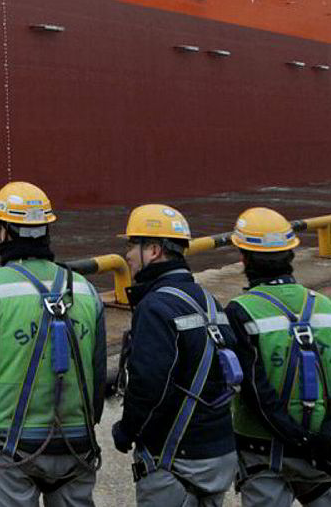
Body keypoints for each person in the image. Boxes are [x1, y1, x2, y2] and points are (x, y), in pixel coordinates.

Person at [0, 181, 106, 506]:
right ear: (46, 231)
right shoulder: (85, 290)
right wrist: (88, 422)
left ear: (3, 231)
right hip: (76, 440)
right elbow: (97, 367)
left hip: (11, 444)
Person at [224, 208, 331, 507]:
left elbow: (254, 390)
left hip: (263, 453)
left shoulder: (240, 312)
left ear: (243, 258)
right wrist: (330, 435)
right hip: (326, 456)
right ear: (292, 254)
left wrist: (296, 438)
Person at [112, 204, 238, 506]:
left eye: (132, 244)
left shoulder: (155, 307)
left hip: (176, 460)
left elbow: (148, 384)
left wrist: (126, 430)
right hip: (218, 454)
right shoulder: (209, 301)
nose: (127, 254)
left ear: (153, 250)